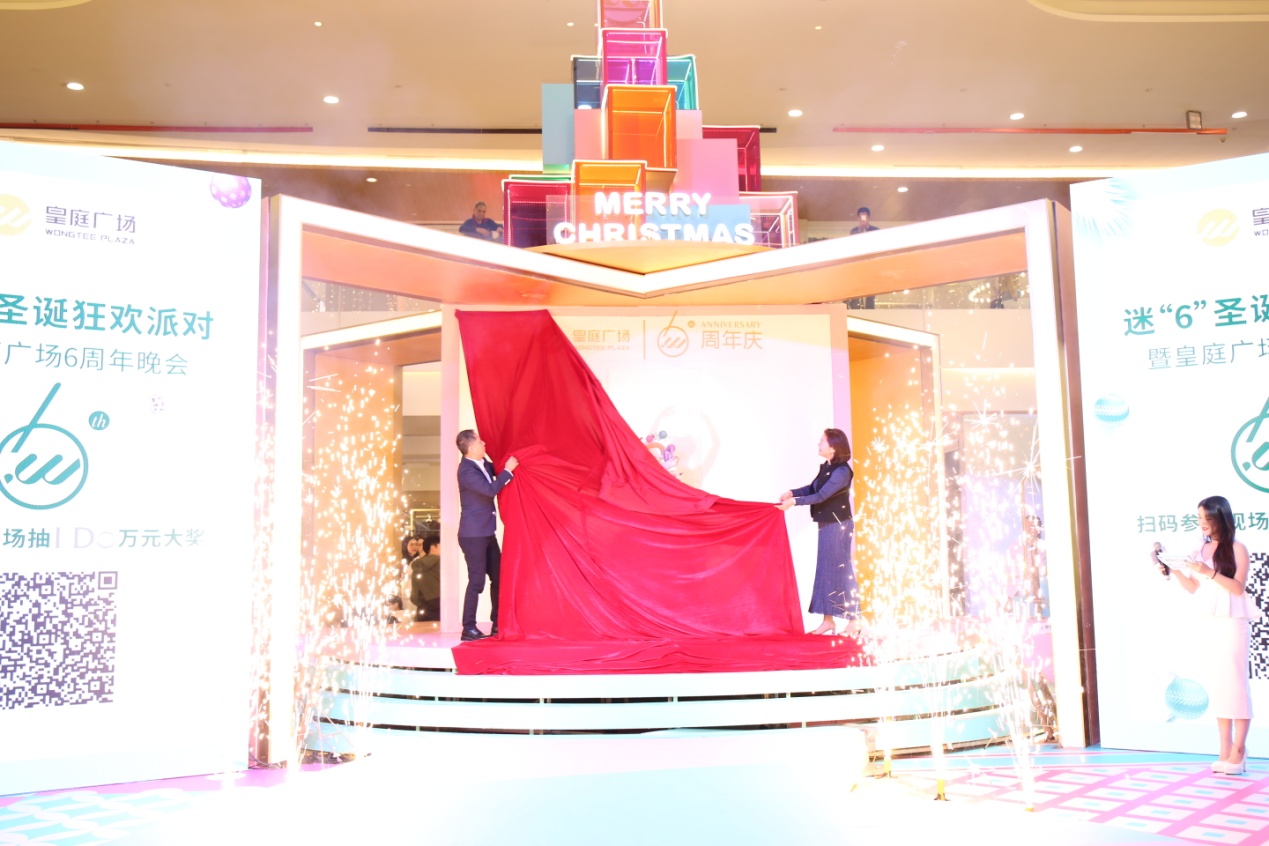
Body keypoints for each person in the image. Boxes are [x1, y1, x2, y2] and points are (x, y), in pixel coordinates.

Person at [1153, 495, 1259, 774]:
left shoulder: (1237, 548)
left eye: (1207, 518)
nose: (1202, 523)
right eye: (1199, 517)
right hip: (1208, 622)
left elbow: (1237, 588)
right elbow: (1193, 587)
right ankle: (1224, 749)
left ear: (1221, 517)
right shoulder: (1199, 548)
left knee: (1235, 684)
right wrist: (1175, 569)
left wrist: (1207, 571)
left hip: (1232, 622)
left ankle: (1239, 749)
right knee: (1219, 684)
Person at [778, 428, 861, 637]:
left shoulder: (842, 472)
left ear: (834, 447)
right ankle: (828, 621)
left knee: (841, 570)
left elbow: (821, 496)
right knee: (825, 571)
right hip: (826, 524)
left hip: (838, 525)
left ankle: (854, 620)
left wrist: (794, 502)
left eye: (822, 441)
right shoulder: (828, 468)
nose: (819, 444)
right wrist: (793, 492)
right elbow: (813, 488)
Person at [456, 429, 518, 641]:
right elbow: (490, 489)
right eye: (481, 442)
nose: (484, 444)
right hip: (473, 535)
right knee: (476, 582)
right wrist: (508, 472)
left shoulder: (481, 463)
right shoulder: (466, 471)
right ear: (471, 447)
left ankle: (497, 623)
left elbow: (496, 468)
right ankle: (468, 628)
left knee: (498, 578)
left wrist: (509, 463)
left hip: (486, 533)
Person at [410, 536, 442, 622]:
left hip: (424, 609)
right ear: (433, 547)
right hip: (442, 607)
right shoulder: (442, 563)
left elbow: (415, 595)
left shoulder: (417, 566)